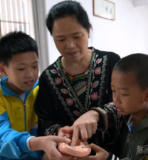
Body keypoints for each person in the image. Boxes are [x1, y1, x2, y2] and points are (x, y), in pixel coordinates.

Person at [34, 0, 120, 156]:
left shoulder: (111, 62)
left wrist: (96, 113)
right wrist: (59, 131)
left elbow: (128, 104)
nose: (70, 45)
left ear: (88, 30)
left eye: (76, 36)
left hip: (113, 154)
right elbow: (44, 122)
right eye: (61, 39)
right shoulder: (48, 77)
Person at [0, 31, 72, 160]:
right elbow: (2, 135)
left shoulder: (42, 89)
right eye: (21, 69)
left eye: (34, 66)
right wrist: (36, 143)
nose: (30, 74)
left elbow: (52, 121)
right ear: (3, 69)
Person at [75, 53, 148, 160]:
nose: (115, 99)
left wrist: (110, 158)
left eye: (124, 94)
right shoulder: (123, 122)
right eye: (113, 91)